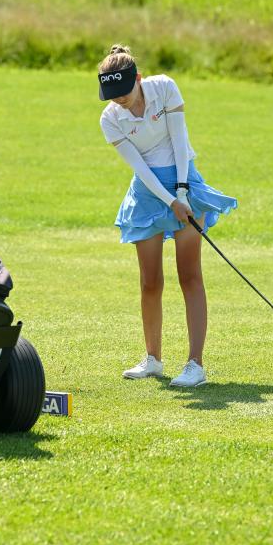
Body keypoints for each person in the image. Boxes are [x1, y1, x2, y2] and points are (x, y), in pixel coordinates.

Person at [97, 44, 237, 387]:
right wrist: (168, 200)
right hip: (147, 196)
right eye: (112, 96)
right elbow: (139, 167)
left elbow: (179, 141)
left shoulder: (164, 88)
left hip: (184, 180)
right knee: (150, 282)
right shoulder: (111, 119)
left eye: (124, 92)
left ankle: (195, 365)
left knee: (189, 276)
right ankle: (153, 359)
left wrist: (182, 193)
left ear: (139, 79)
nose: (120, 101)